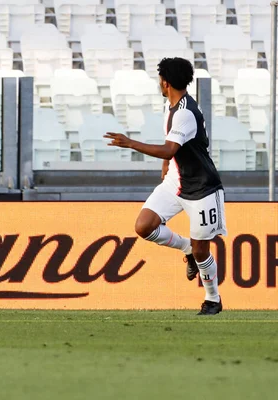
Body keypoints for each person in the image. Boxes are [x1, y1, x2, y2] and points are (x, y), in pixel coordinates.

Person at [104, 57, 226, 315]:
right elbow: (173, 147)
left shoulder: (183, 112)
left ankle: (212, 299)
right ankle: (186, 249)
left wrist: (130, 143)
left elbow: (170, 148)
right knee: (144, 226)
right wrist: (166, 167)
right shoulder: (174, 107)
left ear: (165, 82)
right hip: (176, 180)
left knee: (203, 249)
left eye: (159, 78)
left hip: (202, 188)